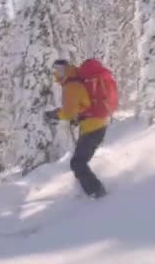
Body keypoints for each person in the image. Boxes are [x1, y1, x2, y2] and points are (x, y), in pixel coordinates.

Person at [44, 59, 108, 199]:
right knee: (80, 160)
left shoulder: (72, 86)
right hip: (95, 124)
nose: (57, 72)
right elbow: (82, 105)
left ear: (67, 69)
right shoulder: (76, 83)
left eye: (60, 69)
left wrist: (55, 114)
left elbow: (68, 112)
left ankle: (98, 193)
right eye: (55, 69)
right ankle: (92, 190)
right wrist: (77, 118)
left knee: (78, 162)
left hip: (93, 127)